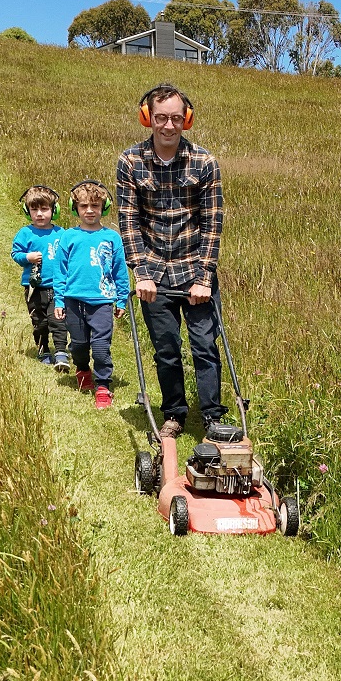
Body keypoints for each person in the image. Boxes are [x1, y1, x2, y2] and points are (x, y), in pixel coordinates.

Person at [116, 82, 228, 438]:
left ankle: (212, 415)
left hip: (196, 267)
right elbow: (128, 220)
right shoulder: (130, 161)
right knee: (166, 348)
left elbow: (212, 223)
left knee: (205, 347)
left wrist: (204, 277)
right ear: (147, 118)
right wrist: (141, 272)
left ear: (187, 120)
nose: (168, 125)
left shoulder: (204, 162)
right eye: (161, 117)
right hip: (153, 272)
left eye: (176, 118)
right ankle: (175, 413)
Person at [53, 180, 129, 410]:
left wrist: (122, 298)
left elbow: (120, 270)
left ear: (104, 208)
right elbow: (60, 270)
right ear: (75, 207)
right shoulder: (68, 237)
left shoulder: (112, 237)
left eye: (95, 206)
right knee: (78, 344)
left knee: (101, 346)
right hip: (73, 299)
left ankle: (103, 385)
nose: (89, 210)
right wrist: (59, 299)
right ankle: (83, 370)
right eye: (84, 205)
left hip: (102, 301)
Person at [11, 185, 67, 365]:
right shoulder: (25, 233)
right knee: (39, 322)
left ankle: (60, 352)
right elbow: (16, 254)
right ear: (27, 212)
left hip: (57, 286)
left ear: (54, 210)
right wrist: (28, 257)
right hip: (33, 287)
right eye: (34, 210)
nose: (39, 214)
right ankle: (43, 350)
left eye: (44, 209)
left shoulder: (62, 234)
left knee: (58, 320)